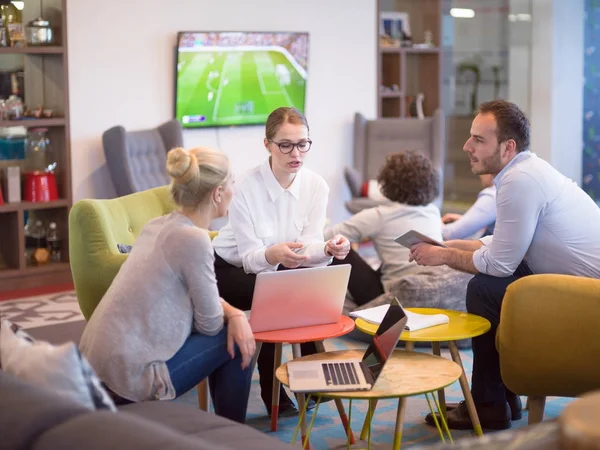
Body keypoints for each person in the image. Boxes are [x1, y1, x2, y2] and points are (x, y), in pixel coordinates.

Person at [409, 100, 600, 430]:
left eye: (479, 140)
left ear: (508, 147)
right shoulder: (526, 171)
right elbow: (506, 246)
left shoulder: (519, 181)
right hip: (573, 287)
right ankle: (498, 397)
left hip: (587, 302)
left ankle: (489, 404)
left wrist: (441, 256)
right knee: (489, 286)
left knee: (485, 288)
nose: (467, 146)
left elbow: (499, 263)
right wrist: (449, 244)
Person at [80, 146, 256, 424]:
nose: (235, 190)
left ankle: (227, 433)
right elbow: (210, 325)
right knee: (237, 334)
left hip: (92, 371)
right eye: (232, 183)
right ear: (217, 193)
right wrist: (236, 317)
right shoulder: (194, 239)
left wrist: (231, 312)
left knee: (235, 322)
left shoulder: (158, 225)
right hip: (126, 383)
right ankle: (233, 436)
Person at [212, 106, 351, 416]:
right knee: (277, 297)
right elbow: (249, 259)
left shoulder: (316, 185)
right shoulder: (245, 187)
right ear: (267, 145)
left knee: (304, 294)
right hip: (228, 268)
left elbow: (309, 246)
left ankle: (310, 382)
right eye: (285, 145)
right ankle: (274, 391)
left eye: (303, 144)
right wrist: (272, 255)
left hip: (277, 268)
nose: (296, 153)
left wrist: (327, 249)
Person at [327, 151, 443, 306]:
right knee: (394, 258)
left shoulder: (379, 216)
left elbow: (326, 236)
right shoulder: (433, 210)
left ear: (387, 183)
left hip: (394, 298)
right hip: (432, 291)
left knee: (337, 245)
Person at [442, 174, 496, 240]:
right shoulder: (504, 191)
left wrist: (434, 222)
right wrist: (465, 221)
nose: (480, 175)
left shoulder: (493, 195)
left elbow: (450, 234)